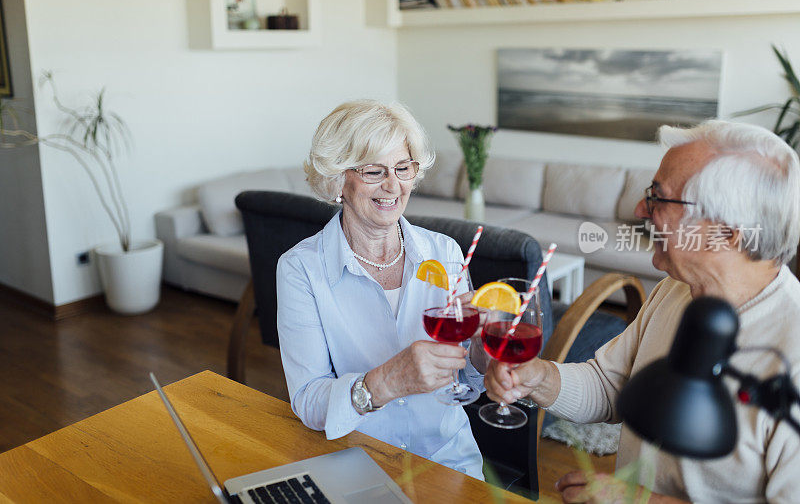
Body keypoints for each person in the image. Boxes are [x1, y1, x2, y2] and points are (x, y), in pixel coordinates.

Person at [485, 120, 800, 503]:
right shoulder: (676, 289)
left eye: (658, 196)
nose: (639, 209)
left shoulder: (792, 351)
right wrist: (538, 378)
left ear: (727, 232)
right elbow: (609, 386)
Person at [276, 100, 489, 479]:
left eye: (403, 168)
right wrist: (387, 381)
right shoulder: (300, 269)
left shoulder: (445, 252)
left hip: (448, 459)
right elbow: (308, 400)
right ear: (338, 178)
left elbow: (466, 378)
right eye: (374, 170)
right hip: (357, 463)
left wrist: (481, 347)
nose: (393, 185)